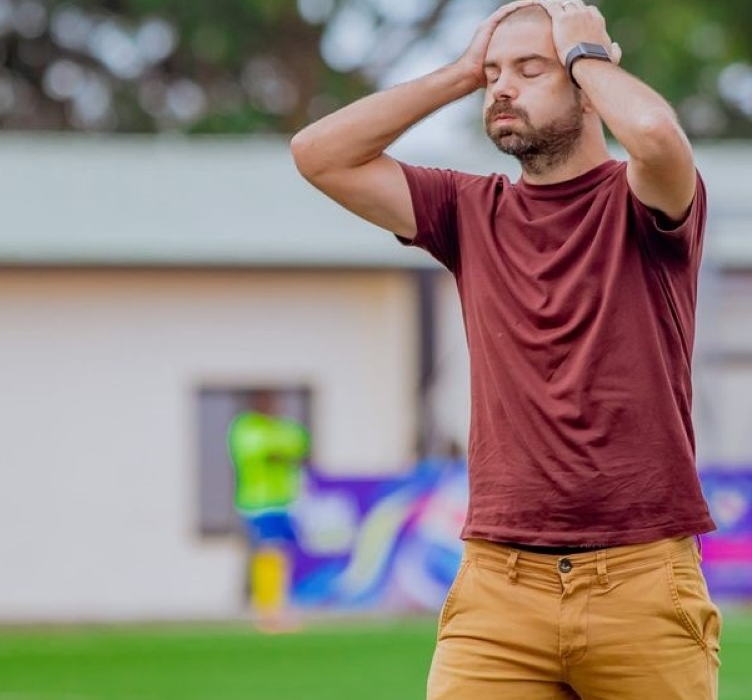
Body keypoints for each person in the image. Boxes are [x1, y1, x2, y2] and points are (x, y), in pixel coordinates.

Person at [291, 1, 720, 697]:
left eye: (529, 69)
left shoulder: (642, 200)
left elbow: (653, 134)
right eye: (495, 72)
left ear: (587, 85)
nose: (502, 88)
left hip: (643, 580)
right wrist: (460, 72)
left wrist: (588, 53)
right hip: (497, 587)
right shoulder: (467, 210)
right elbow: (318, 153)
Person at [227, 389, 309, 633]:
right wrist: (282, 452)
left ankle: (278, 607)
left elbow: (300, 444)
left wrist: (282, 451)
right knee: (267, 553)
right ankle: (266, 611)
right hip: (259, 503)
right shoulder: (245, 427)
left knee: (282, 556)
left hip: (284, 501)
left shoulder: (279, 427)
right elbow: (270, 454)